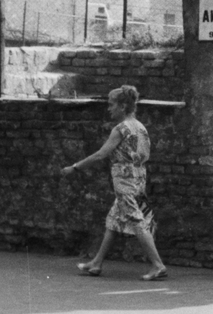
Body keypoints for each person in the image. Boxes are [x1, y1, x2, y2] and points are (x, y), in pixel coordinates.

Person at [62, 84, 168, 281]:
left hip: (124, 181)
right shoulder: (140, 127)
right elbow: (144, 155)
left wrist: (75, 167)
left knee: (137, 221)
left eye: (111, 105)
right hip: (138, 179)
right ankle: (97, 263)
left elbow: (101, 154)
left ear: (122, 107)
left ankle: (157, 264)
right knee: (114, 220)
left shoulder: (121, 129)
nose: (109, 108)